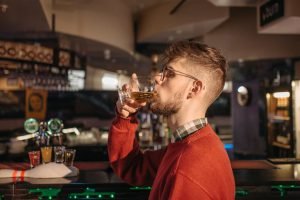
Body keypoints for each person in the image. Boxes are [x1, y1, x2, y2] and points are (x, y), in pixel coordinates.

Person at [108, 41, 235, 200]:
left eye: (170, 73)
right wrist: (125, 117)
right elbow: (133, 167)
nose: (156, 78)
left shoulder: (188, 169)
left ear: (194, 89)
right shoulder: (192, 143)